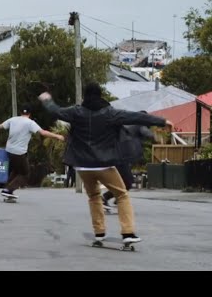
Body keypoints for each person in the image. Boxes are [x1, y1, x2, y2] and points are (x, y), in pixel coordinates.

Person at [39, 83, 173, 244]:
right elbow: (136, 117)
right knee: (122, 195)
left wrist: (47, 100)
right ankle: (128, 233)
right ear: (100, 95)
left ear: (84, 97)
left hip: (82, 166)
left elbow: (56, 111)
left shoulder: (75, 112)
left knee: (94, 196)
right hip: (104, 164)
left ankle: (99, 232)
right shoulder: (110, 113)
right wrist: (162, 121)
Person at [0, 104, 65, 200]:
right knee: (25, 174)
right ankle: (8, 190)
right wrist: (57, 136)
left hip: (9, 150)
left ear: (21, 112)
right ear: (30, 114)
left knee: (17, 170)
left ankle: (8, 189)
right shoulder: (30, 123)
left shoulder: (13, 119)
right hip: (19, 152)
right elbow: (43, 132)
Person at [103, 112, 155, 210]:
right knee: (127, 182)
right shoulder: (140, 125)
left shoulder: (128, 124)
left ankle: (116, 199)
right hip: (123, 157)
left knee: (122, 181)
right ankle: (107, 198)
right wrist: (154, 137)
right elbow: (147, 133)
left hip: (117, 155)